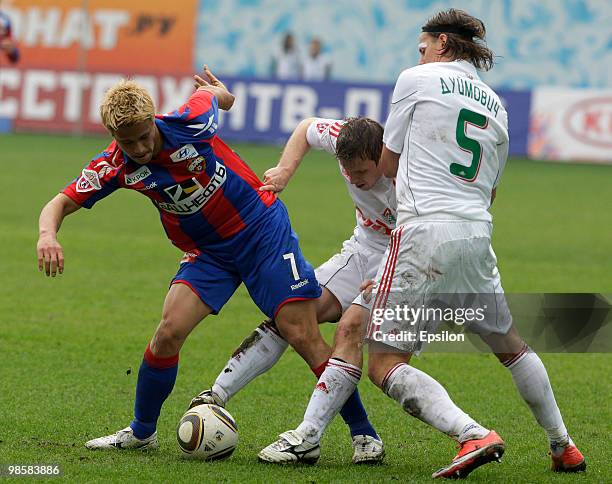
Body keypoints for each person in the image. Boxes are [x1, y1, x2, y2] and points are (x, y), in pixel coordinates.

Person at [259, 8, 586, 478]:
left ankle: (473, 434)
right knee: (511, 346)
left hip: (423, 235)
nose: (420, 53)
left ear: (443, 44)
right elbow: (491, 189)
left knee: (383, 362)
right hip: (477, 234)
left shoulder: (416, 79)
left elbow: (387, 163)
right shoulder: (497, 105)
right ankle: (563, 445)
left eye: (424, 45)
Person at [36, 66, 332, 451]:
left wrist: (222, 93)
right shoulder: (114, 165)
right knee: (168, 332)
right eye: (128, 143)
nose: (140, 149)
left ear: (153, 119)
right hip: (209, 253)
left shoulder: (190, 120)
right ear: (114, 137)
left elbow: (220, 99)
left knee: (301, 333)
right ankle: (142, 433)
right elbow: (58, 203)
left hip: (260, 230)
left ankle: (363, 433)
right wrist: (47, 234)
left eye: (144, 137)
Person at [189, 116, 392, 464]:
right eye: (349, 171)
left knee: (350, 331)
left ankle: (336, 435)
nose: (356, 180)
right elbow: (307, 128)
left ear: (383, 158)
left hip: (403, 259)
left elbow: (424, 233)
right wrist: (284, 171)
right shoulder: (344, 137)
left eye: (362, 172)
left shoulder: (410, 174)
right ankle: (214, 397)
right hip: (363, 249)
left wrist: (389, 275)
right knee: (292, 314)